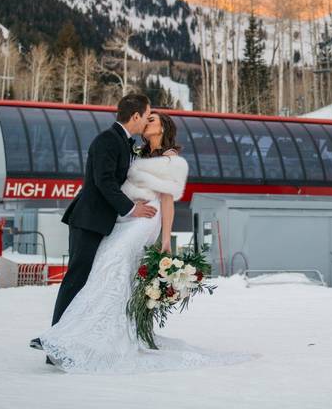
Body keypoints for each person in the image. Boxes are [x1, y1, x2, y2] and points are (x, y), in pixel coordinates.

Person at [34, 110, 250, 373]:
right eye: (146, 118)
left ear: (162, 128)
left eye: (153, 120)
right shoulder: (136, 151)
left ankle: (76, 334)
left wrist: (166, 238)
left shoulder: (172, 160)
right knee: (105, 266)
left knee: (113, 261)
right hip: (127, 217)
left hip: (148, 218)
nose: (147, 122)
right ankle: (79, 333)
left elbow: (168, 201)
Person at [29, 93, 156, 358]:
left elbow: (116, 183)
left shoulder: (122, 141)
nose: (147, 121)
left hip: (100, 222)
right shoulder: (107, 140)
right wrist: (133, 209)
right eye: (146, 115)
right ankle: (54, 342)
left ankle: (66, 340)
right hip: (87, 221)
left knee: (87, 281)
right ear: (135, 116)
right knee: (75, 279)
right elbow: (104, 181)